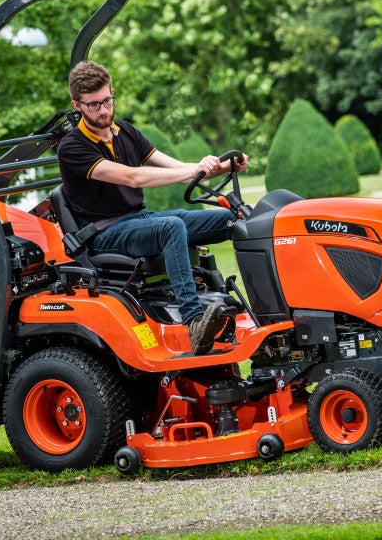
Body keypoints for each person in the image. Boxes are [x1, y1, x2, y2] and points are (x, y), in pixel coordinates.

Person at [56, 61, 247, 355]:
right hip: (105, 233)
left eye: (107, 100)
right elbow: (132, 177)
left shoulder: (126, 131)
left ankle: (266, 307)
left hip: (140, 220)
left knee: (234, 219)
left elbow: (179, 167)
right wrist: (192, 170)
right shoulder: (72, 147)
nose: (103, 110)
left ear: (112, 93)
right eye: (93, 105)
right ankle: (194, 321)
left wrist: (222, 167)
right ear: (77, 104)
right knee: (172, 226)